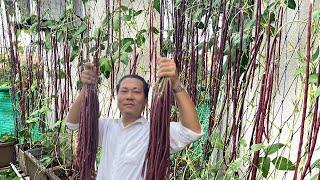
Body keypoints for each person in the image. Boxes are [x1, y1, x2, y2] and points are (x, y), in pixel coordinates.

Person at [66, 56, 202, 180]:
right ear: (117, 98)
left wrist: (175, 84)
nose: (129, 96)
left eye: (136, 92)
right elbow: (73, 123)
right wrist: (86, 87)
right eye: (124, 91)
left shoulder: (156, 132)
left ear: (145, 101)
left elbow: (192, 131)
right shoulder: (106, 127)